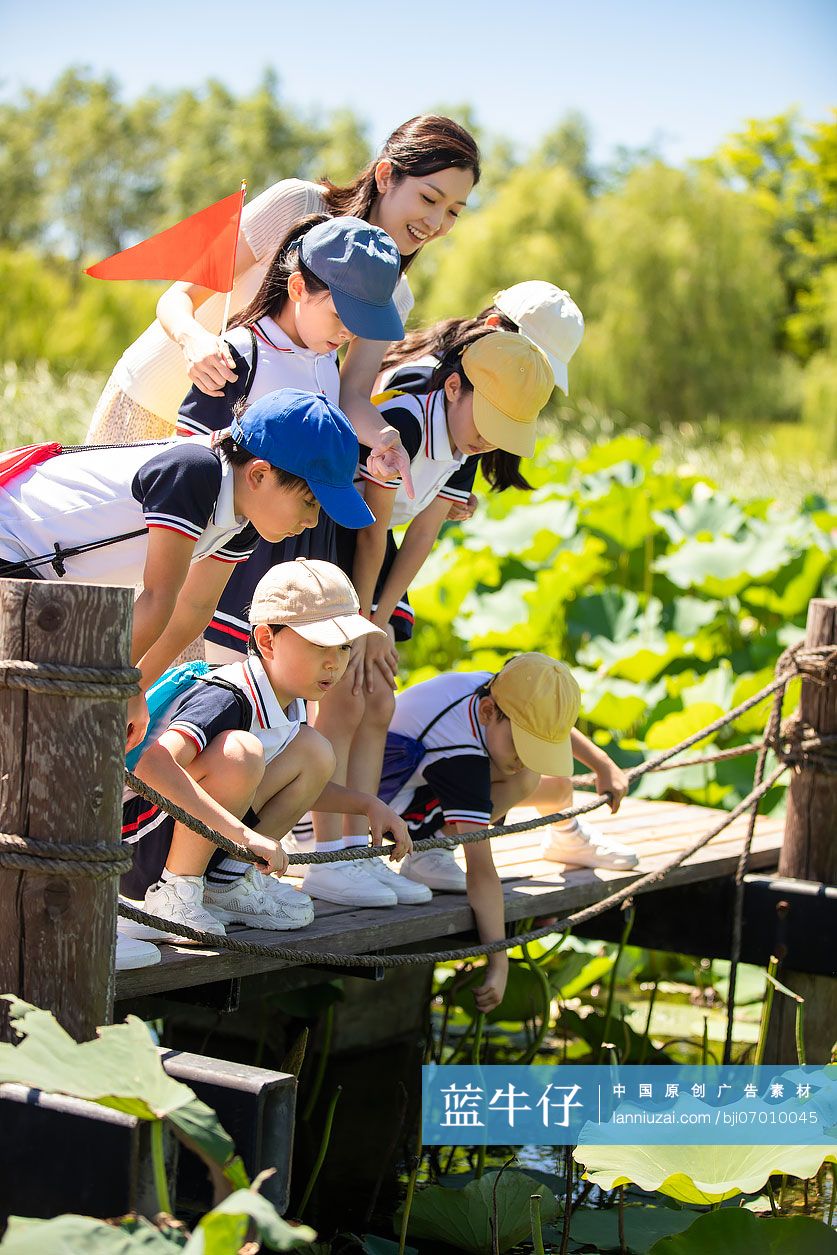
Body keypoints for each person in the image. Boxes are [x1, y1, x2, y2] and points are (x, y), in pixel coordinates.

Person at [85, 115, 481, 494]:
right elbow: (179, 297)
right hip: (148, 401)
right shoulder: (298, 203)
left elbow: (352, 394)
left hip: (227, 447)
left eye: (452, 213)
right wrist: (195, 341)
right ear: (385, 176)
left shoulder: (396, 295)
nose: (435, 222)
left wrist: (384, 438)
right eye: (429, 198)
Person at [302, 331, 555, 909]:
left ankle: (360, 857)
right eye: (488, 418)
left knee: (379, 702)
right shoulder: (408, 424)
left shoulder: (466, 446)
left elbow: (418, 538)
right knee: (341, 702)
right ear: (453, 386)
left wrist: (382, 618)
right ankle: (325, 858)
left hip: (376, 568)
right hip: (329, 545)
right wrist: (362, 623)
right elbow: (368, 526)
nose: (491, 436)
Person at [0, 388, 372, 750]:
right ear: (259, 475)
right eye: (309, 502)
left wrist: (136, 688)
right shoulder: (195, 472)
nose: (312, 521)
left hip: (44, 585)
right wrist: (111, 689)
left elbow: (192, 610)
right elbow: (160, 598)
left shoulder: (240, 522)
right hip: (12, 547)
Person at [119, 558, 411, 968]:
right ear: (267, 640)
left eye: (344, 647)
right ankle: (174, 894)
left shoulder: (288, 701)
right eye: (319, 645)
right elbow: (153, 766)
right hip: (134, 851)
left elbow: (286, 781)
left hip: (176, 835)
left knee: (314, 750)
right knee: (240, 752)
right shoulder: (228, 694)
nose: (334, 662)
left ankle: (225, 884)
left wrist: (368, 806)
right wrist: (243, 835)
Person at [174, 214, 403, 662]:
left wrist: (377, 448)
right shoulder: (239, 353)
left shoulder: (323, 358)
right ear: (298, 288)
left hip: (299, 551)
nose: (346, 333)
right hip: (235, 563)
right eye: (340, 316)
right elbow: (193, 460)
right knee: (226, 688)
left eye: (359, 324)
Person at [377, 653, 584, 1012]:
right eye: (522, 743)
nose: (524, 754)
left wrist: (604, 765)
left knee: (533, 776)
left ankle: (435, 842)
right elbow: (483, 872)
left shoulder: (500, 687)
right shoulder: (461, 757)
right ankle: (430, 849)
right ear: (488, 712)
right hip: (383, 804)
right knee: (525, 777)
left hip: (406, 776)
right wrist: (498, 961)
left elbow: (552, 725)